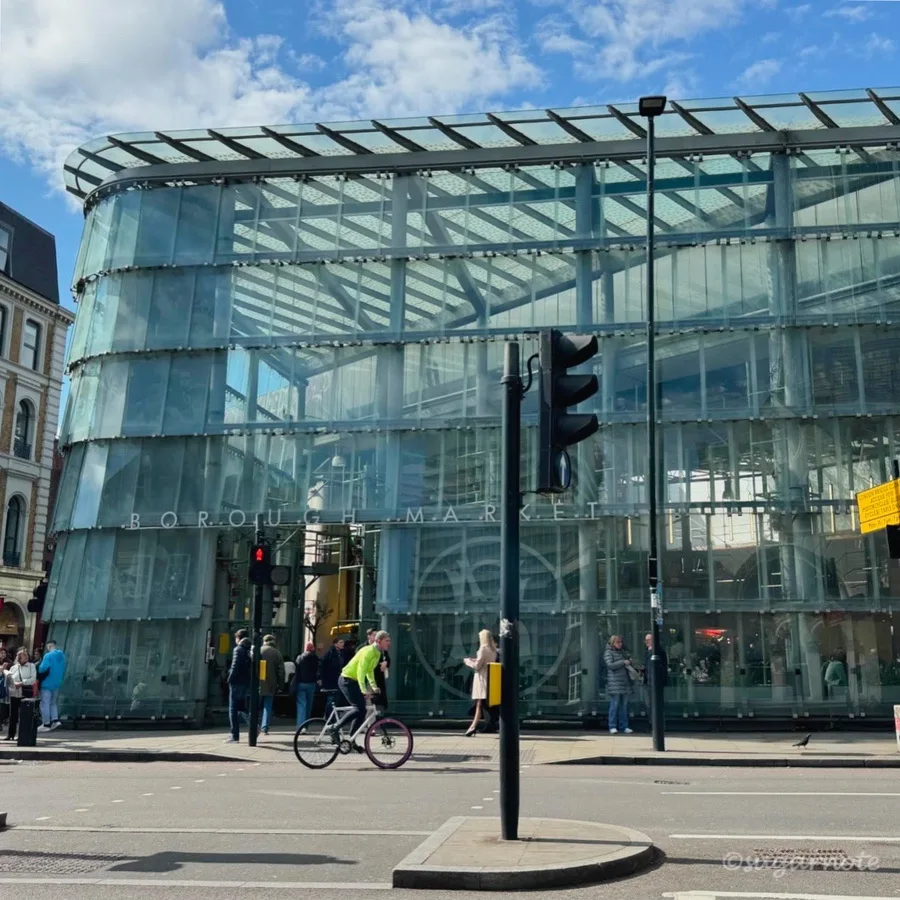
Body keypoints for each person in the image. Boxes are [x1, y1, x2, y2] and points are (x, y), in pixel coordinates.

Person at [337, 630, 391, 752]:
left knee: (362, 711)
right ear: (378, 641)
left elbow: (369, 671)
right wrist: (363, 690)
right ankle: (335, 727)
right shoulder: (369, 652)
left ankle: (351, 740)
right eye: (387, 641)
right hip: (347, 679)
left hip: (353, 681)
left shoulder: (377, 652)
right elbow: (361, 671)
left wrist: (374, 686)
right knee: (359, 708)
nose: (389, 643)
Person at [463, 629, 497, 737]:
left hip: (481, 678)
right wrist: (476, 660)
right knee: (482, 704)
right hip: (489, 677)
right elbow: (484, 661)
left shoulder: (483, 649)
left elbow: (477, 666)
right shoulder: (493, 649)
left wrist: (468, 661)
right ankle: (477, 726)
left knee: (479, 703)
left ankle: (473, 726)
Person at [4, 648, 37, 742]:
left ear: (26, 657)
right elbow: (9, 678)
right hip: (14, 693)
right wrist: (11, 682)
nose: (18, 658)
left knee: (24, 715)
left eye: (20, 656)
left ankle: (22, 735)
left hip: (25, 692)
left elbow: (33, 679)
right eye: (17, 656)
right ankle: (11, 734)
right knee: (13, 715)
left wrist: (22, 683)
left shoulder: (31, 666)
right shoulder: (14, 667)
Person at [603, 635, 634, 735]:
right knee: (615, 705)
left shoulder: (623, 652)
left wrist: (629, 661)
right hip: (615, 683)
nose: (620, 644)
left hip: (624, 682)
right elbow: (610, 665)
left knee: (624, 706)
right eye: (618, 642)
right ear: (613, 643)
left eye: (621, 642)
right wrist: (623, 662)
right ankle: (612, 726)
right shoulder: (608, 652)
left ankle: (624, 726)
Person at [226, 629, 252, 743]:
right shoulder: (249, 649)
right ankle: (253, 724)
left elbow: (235, 666)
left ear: (238, 638)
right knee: (241, 707)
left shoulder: (238, 649)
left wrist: (230, 679)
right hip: (246, 681)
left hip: (236, 682)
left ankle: (234, 735)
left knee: (233, 708)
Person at [37, 639, 67, 732]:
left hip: (47, 683)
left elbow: (42, 669)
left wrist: (38, 667)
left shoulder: (48, 655)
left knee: (45, 703)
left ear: (49, 646)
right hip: (57, 682)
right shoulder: (62, 655)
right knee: (53, 703)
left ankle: (46, 724)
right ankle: (55, 720)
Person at [259, 634, 285, 735]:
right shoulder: (277, 653)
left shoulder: (259, 650)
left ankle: (253, 724)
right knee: (268, 705)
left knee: (255, 705)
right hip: (271, 683)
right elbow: (281, 671)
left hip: (257, 683)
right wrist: (281, 685)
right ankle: (264, 727)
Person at [641, 633, 668, 727]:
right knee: (649, 704)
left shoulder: (659, 651)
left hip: (656, 682)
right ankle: (652, 724)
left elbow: (662, 667)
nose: (646, 642)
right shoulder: (647, 652)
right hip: (648, 681)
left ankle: (659, 725)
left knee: (657, 704)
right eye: (646, 640)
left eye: (648, 640)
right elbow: (646, 665)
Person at [319, 637, 347, 718]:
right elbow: (322, 666)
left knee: (336, 699)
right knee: (331, 699)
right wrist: (320, 678)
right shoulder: (330, 653)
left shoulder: (342, 653)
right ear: (335, 644)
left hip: (338, 679)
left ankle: (333, 716)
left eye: (343, 642)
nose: (343, 644)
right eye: (341, 642)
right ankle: (328, 717)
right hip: (331, 680)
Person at [293, 641, 319, 728]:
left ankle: (300, 726)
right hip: (311, 683)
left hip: (301, 683)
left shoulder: (299, 657)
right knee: (309, 705)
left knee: (301, 705)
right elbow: (317, 669)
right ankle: (306, 726)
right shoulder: (315, 658)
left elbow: (296, 669)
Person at [367, 627, 391, 714]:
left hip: (378, 679)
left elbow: (388, 659)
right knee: (368, 705)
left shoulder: (381, 650)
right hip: (368, 680)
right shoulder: (366, 649)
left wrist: (386, 663)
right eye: (374, 635)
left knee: (377, 704)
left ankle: (374, 720)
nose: (389, 643)